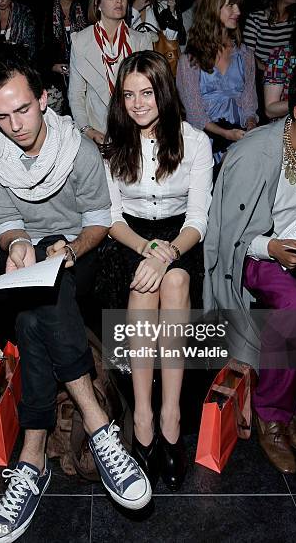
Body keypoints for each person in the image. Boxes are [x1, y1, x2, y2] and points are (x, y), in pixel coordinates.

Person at [0, 56, 151, 543]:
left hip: (81, 254)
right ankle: (97, 426)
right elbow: (2, 219)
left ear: (44, 99)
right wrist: (16, 244)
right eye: (2, 117)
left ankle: (32, 462)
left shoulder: (80, 152)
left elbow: (98, 222)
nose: (15, 126)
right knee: (34, 317)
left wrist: (68, 250)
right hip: (28, 263)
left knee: (46, 298)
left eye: (23, 110)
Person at [204, 60, 296, 474]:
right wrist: (271, 247)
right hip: (258, 253)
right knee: (295, 310)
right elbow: (230, 233)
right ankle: (271, 414)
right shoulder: (254, 153)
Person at [103, 50, 213, 490]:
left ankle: (169, 415)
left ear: (164, 93)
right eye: (128, 95)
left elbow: (198, 221)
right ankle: (144, 415)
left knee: (178, 278)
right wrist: (147, 248)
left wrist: (165, 253)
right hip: (129, 240)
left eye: (147, 93)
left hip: (180, 240)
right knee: (146, 287)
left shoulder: (195, 142)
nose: (138, 103)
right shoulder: (114, 147)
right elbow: (111, 220)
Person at [176, 0, 258, 163]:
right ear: (213, 8)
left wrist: (251, 128)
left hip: (240, 139)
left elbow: (249, 103)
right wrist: (225, 134)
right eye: (230, 5)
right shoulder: (190, 60)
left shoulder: (245, 55)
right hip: (205, 143)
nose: (237, 11)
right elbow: (195, 113)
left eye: (238, 6)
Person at [68, 0, 152, 145]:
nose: (119, 1)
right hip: (98, 131)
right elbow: (76, 94)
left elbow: (150, 91)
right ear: (98, 3)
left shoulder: (141, 40)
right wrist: (87, 130)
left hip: (135, 130)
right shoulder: (81, 42)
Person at [39, 0, 87, 115]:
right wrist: (53, 67)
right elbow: (37, 52)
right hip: (54, 82)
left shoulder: (84, 10)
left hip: (82, 77)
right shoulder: (46, 14)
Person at [243, 0, 296, 72]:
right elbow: (247, 56)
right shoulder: (256, 18)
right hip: (261, 75)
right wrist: (271, 72)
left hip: (289, 75)